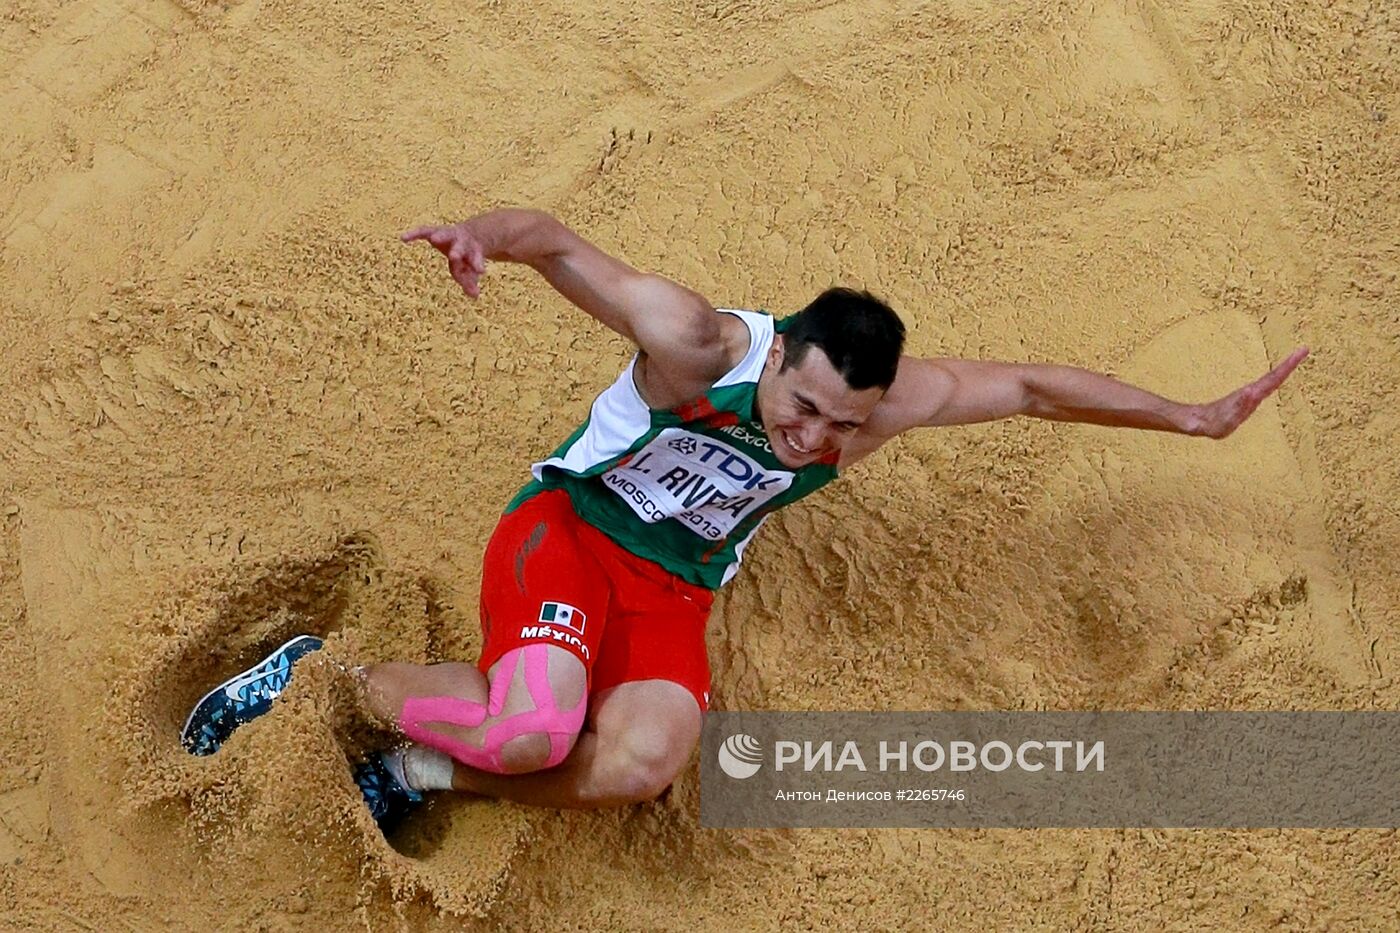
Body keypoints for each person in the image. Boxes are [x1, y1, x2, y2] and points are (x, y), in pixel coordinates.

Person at [183, 208, 1308, 826]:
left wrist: (1189, 420)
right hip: (569, 538)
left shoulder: (879, 407)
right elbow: (560, 244)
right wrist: (482, 237)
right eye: (801, 407)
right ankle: (317, 677)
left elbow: (1033, 388)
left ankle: (415, 776)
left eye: (839, 425)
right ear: (778, 357)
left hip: (672, 594)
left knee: (637, 768)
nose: (812, 440)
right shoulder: (697, 343)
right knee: (536, 731)